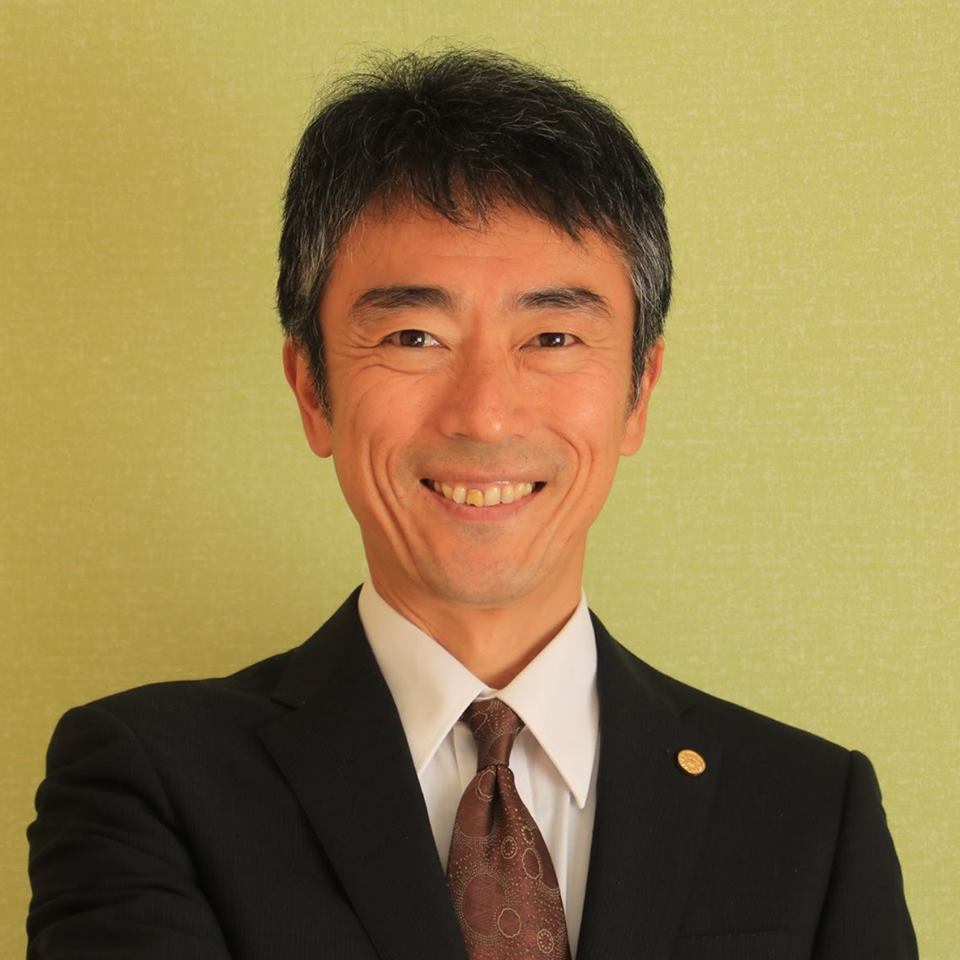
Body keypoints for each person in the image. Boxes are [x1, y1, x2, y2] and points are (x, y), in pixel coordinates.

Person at [27, 49, 916, 959]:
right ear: (313, 390)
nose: (485, 414)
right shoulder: (148, 782)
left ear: (638, 392)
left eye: (553, 337)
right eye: (415, 336)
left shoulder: (810, 809)